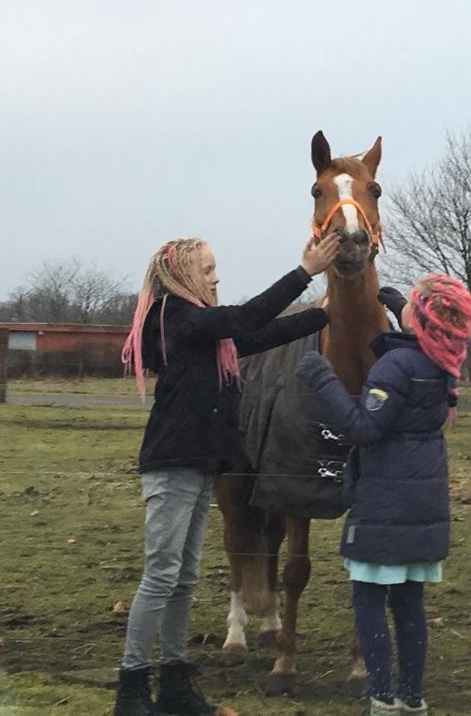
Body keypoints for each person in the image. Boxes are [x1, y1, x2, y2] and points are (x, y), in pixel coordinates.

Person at [113, 233, 340, 716]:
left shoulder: (204, 327)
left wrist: (324, 314)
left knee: (183, 579)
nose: (217, 277)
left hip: (200, 465)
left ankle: (175, 685)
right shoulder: (174, 317)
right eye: (208, 269)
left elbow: (256, 335)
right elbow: (241, 319)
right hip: (172, 464)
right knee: (160, 576)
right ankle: (131, 689)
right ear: (181, 276)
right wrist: (304, 272)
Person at [295, 274, 471, 716]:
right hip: (424, 503)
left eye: (412, 302)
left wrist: (323, 380)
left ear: (422, 319)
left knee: (369, 598)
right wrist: (402, 310)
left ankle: (381, 696)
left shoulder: (394, 367)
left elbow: (364, 428)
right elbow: (413, 352)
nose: (405, 305)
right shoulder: (442, 364)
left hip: (384, 505)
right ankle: (412, 698)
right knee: (410, 602)